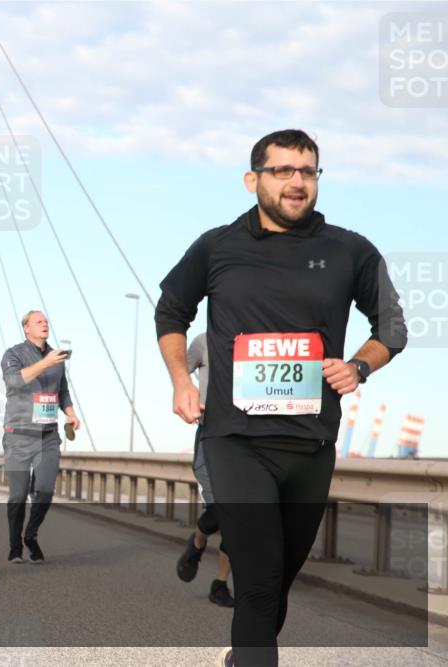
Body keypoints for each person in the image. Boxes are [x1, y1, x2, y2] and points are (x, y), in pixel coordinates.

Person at [155, 129, 407, 667]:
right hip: (234, 438)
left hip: (310, 444)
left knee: (278, 581)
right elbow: (171, 310)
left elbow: (392, 327)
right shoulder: (217, 246)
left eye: (308, 171)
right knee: (259, 578)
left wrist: (359, 365)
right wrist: (181, 379)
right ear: (253, 180)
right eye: (284, 170)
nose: (298, 182)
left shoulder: (350, 249)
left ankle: (243, 654)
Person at [1, 311, 81, 565]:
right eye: (38, 321)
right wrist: (45, 363)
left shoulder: (56, 358)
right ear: (26, 328)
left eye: (46, 321)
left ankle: (31, 535)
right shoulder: (13, 354)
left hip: (48, 435)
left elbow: (63, 391)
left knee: (45, 490)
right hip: (18, 435)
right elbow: (14, 381)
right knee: (18, 494)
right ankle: (15, 546)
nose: (45, 324)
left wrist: (70, 413)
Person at [175, 333, 234, 607]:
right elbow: (181, 373)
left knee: (239, 518)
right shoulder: (203, 341)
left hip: (249, 440)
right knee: (220, 511)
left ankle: (220, 583)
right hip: (211, 434)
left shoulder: (261, 342)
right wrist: (186, 394)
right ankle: (198, 541)